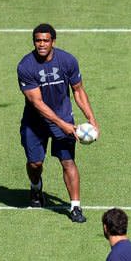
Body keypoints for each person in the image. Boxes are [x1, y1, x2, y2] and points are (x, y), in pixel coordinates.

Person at [17, 23, 99, 223]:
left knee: (68, 162)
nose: (41, 44)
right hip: (35, 123)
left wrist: (91, 118)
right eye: (38, 40)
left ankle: (75, 207)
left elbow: (78, 91)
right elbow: (36, 102)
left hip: (64, 118)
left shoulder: (68, 60)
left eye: (46, 40)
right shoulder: (25, 66)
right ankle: (36, 187)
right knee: (35, 164)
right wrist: (62, 124)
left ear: (53, 41)